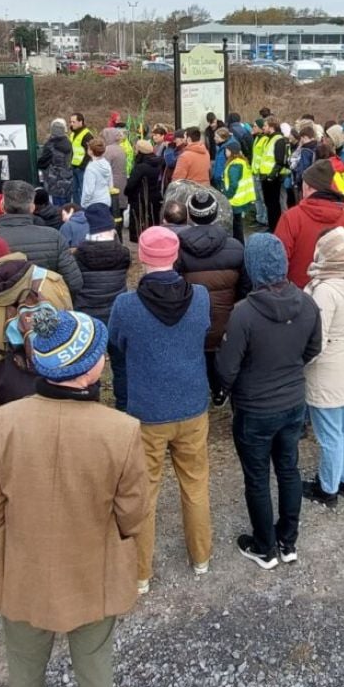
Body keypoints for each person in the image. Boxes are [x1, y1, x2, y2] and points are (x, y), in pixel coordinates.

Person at [0, 307, 147, 687]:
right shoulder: (121, 430)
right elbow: (132, 513)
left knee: (24, 666)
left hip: (24, 569)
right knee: (94, 668)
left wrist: (4, 529)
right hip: (93, 571)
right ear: (90, 370)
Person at [108, 227, 212, 593]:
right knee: (196, 484)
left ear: (142, 258)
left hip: (147, 411)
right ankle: (201, 558)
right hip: (193, 404)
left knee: (144, 493)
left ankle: (141, 574)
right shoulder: (200, 297)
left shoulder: (126, 306)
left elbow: (116, 346)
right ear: (176, 255)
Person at [216, 234, 322, 568]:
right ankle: (287, 541)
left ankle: (265, 547)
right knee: (289, 469)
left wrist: (224, 391)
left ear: (253, 267)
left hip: (255, 409)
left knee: (258, 477)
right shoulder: (307, 303)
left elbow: (226, 367)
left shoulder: (243, 314)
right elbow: (313, 348)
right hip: (293, 403)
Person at [301, 228, 344, 508]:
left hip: (329, 370)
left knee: (329, 433)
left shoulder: (326, 290)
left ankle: (327, 488)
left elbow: (316, 340)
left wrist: (300, 363)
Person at [0, 234, 72, 405]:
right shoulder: (52, 281)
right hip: (61, 367)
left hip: (12, 380)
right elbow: (69, 318)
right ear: (8, 253)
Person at [175, 189, 247, 407]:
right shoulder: (235, 248)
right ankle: (220, 390)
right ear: (216, 214)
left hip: (192, 322)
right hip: (227, 322)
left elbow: (175, 287)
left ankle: (200, 393)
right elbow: (245, 288)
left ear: (190, 214)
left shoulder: (178, 249)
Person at [0, 180, 83, 299]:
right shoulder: (55, 236)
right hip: (46, 308)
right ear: (32, 207)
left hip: (2, 314)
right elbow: (74, 283)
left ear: (3, 206)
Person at [74, 204, 131, 409]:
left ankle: (91, 403)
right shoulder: (123, 254)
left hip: (89, 316)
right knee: (121, 364)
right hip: (116, 314)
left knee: (89, 364)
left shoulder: (80, 255)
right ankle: (124, 405)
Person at [274, 160, 344, 289]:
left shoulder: (291, 218)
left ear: (307, 186)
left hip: (298, 294)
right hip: (336, 292)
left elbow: (278, 261)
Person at [124, 139, 163, 243]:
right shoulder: (157, 163)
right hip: (154, 196)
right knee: (152, 219)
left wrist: (127, 192)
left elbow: (131, 184)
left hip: (139, 198)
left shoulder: (141, 167)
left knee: (140, 222)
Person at [221, 139, 256, 244]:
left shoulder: (234, 165)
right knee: (238, 224)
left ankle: (239, 245)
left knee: (236, 226)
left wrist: (227, 195)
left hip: (234, 200)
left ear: (231, 151)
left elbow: (233, 184)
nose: (225, 153)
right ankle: (239, 244)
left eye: (226, 150)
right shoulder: (242, 162)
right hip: (241, 199)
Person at [258, 117, 289, 231]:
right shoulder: (269, 139)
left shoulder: (278, 139)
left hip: (272, 178)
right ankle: (272, 226)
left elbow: (279, 160)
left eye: (265, 125)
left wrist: (272, 176)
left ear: (271, 127)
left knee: (273, 205)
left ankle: (275, 228)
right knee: (269, 204)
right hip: (266, 177)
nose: (263, 128)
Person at [37, 118, 73, 206]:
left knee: (57, 208)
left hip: (55, 182)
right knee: (67, 206)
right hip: (68, 178)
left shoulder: (50, 145)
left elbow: (42, 163)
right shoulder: (68, 142)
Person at [81, 138, 113, 209]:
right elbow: (110, 184)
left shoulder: (91, 168)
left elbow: (89, 191)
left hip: (93, 203)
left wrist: (84, 203)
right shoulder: (106, 164)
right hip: (106, 200)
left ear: (91, 151)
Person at [68, 113, 93, 204]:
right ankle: (77, 210)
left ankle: (83, 211)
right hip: (74, 167)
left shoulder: (87, 135)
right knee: (74, 191)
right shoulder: (73, 134)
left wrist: (82, 166)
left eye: (74, 122)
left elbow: (90, 153)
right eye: (70, 122)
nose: (71, 124)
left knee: (83, 191)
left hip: (82, 168)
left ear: (80, 122)